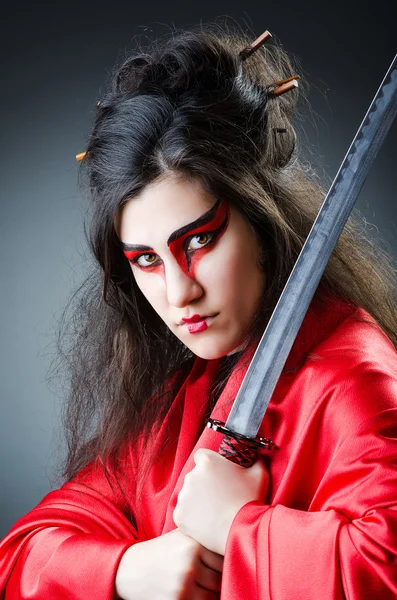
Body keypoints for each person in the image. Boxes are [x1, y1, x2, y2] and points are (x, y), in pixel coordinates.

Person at [1, 23, 397, 600]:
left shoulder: (355, 375)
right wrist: (128, 571)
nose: (178, 292)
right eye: (146, 259)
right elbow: (24, 554)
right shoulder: (185, 393)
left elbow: (385, 567)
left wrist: (238, 528)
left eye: (200, 241)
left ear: (260, 223)